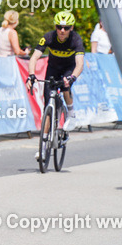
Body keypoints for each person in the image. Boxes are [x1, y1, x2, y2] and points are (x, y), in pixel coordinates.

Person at [25, 11, 85, 160]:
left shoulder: (76, 40)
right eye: (59, 27)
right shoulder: (48, 37)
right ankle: (43, 147)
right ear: (55, 27)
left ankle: (71, 114)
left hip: (68, 69)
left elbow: (80, 64)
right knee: (48, 109)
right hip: (52, 69)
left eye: (66, 27)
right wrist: (31, 75)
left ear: (71, 28)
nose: (62, 30)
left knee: (65, 87)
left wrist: (72, 78)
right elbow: (34, 58)